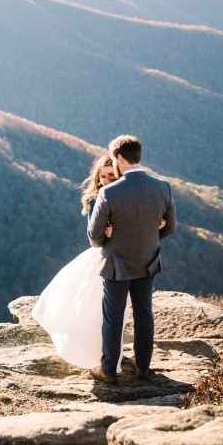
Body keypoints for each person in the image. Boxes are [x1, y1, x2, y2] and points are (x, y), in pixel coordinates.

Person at [87, 135, 176, 385]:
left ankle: (109, 370)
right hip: (148, 261)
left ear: (119, 158)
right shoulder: (163, 187)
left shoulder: (110, 193)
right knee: (144, 314)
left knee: (113, 318)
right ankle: (143, 367)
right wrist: (151, 234)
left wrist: (107, 236)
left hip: (116, 264)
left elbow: (94, 237)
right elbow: (170, 228)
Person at [31, 153, 125, 371]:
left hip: (123, 260)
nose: (107, 180)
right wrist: (105, 231)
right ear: (97, 177)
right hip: (102, 259)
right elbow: (93, 238)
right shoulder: (96, 198)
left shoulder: (125, 195)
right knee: (96, 311)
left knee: (117, 312)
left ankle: (113, 353)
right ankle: (98, 355)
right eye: (103, 176)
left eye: (112, 175)